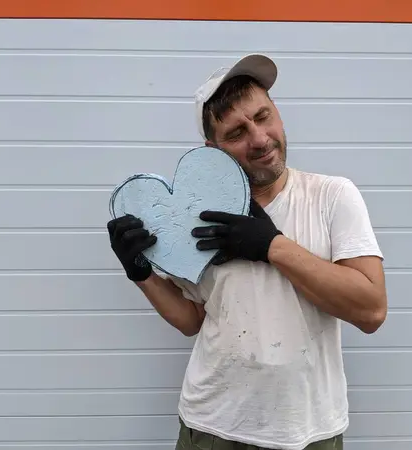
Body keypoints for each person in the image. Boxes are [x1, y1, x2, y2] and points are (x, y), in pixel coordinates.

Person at [107, 54, 387, 450]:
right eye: (237, 132)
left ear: (279, 115)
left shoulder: (332, 197)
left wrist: (271, 245)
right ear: (213, 149)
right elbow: (191, 320)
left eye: (263, 116)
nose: (259, 139)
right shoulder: (198, 217)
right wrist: (141, 273)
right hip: (212, 427)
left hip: (306, 432)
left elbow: (371, 310)